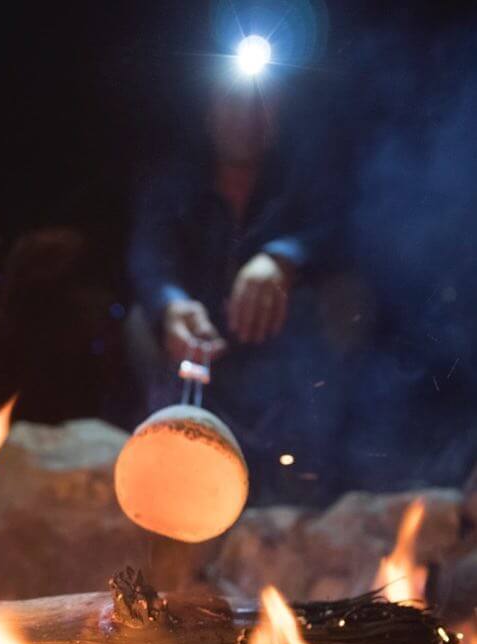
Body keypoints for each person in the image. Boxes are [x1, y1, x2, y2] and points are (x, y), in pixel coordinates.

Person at [129, 67, 344, 504]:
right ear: (210, 114)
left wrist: (283, 257)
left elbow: (339, 233)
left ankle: (304, 477)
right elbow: (148, 254)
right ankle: (163, 464)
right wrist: (171, 305)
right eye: (233, 103)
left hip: (279, 352)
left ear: (277, 117)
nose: (245, 116)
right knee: (139, 320)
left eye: (259, 105)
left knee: (346, 300)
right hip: (196, 346)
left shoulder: (298, 182)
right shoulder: (176, 181)